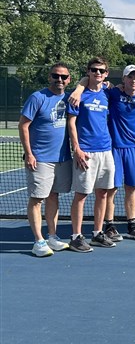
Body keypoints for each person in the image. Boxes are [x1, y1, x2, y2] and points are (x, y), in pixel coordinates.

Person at [69, 65, 135, 241]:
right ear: (123, 79)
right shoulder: (111, 93)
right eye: (130, 77)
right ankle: (109, 226)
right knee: (109, 189)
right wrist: (78, 88)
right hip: (113, 148)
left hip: (134, 148)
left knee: (132, 188)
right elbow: (90, 81)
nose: (133, 80)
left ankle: (132, 225)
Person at [18, 62, 72, 257]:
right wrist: (30, 153)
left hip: (63, 158)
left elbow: (88, 84)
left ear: (69, 80)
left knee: (53, 196)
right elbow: (23, 126)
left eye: (63, 77)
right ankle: (38, 241)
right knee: (37, 199)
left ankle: (52, 236)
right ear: (49, 77)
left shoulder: (69, 97)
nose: (60, 79)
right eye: (56, 76)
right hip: (40, 159)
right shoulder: (37, 97)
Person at [66, 57, 116, 252]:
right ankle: (76, 236)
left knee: (103, 193)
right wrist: (76, 148)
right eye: (94, 70)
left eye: (101, 70)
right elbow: (71, 123)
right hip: (85, 151)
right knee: (82, 195)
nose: (97, 73)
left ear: (106, 74)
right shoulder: (78, 96)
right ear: (88, 72)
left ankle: (97, 233)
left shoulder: (107, 93)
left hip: (106, 150)